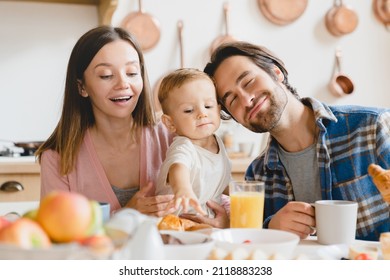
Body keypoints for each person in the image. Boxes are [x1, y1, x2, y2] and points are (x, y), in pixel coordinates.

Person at [201, 41, 390, 241]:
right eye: (232, 100)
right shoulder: (258, 175)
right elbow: (256, 248)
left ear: (276, 72)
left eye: (248, 82)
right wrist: (270, 229)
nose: (247, 100)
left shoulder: (373, 127)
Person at [35, 26, 175, 216]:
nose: (123, 84)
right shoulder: (57, 158)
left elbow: (215, 193)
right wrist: (124, 214)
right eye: (106, 75)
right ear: (81, 86)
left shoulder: (171, 135)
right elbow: (57, 234)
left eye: (132, 73)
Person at [156, 68, 232, 218]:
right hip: (177, 220)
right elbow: (178, 167)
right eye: (189, 110)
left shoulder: (217, 143)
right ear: (170, 122)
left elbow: (222, 182)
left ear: (218, 109)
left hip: (206, 219)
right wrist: (183, 189)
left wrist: (241, 192)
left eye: (208, 106)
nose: (202, 113)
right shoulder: (184, 146)